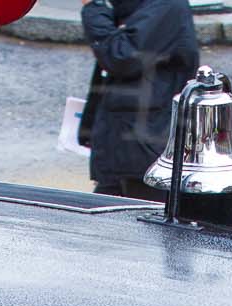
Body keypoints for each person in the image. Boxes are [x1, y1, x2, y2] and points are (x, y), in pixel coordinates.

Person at [77, 0, 200, 200]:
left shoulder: (167, 6)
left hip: (146, 156)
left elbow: (120, 55)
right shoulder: (140, 7)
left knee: (143, 224)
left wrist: (94, 7)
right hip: (124, 151)